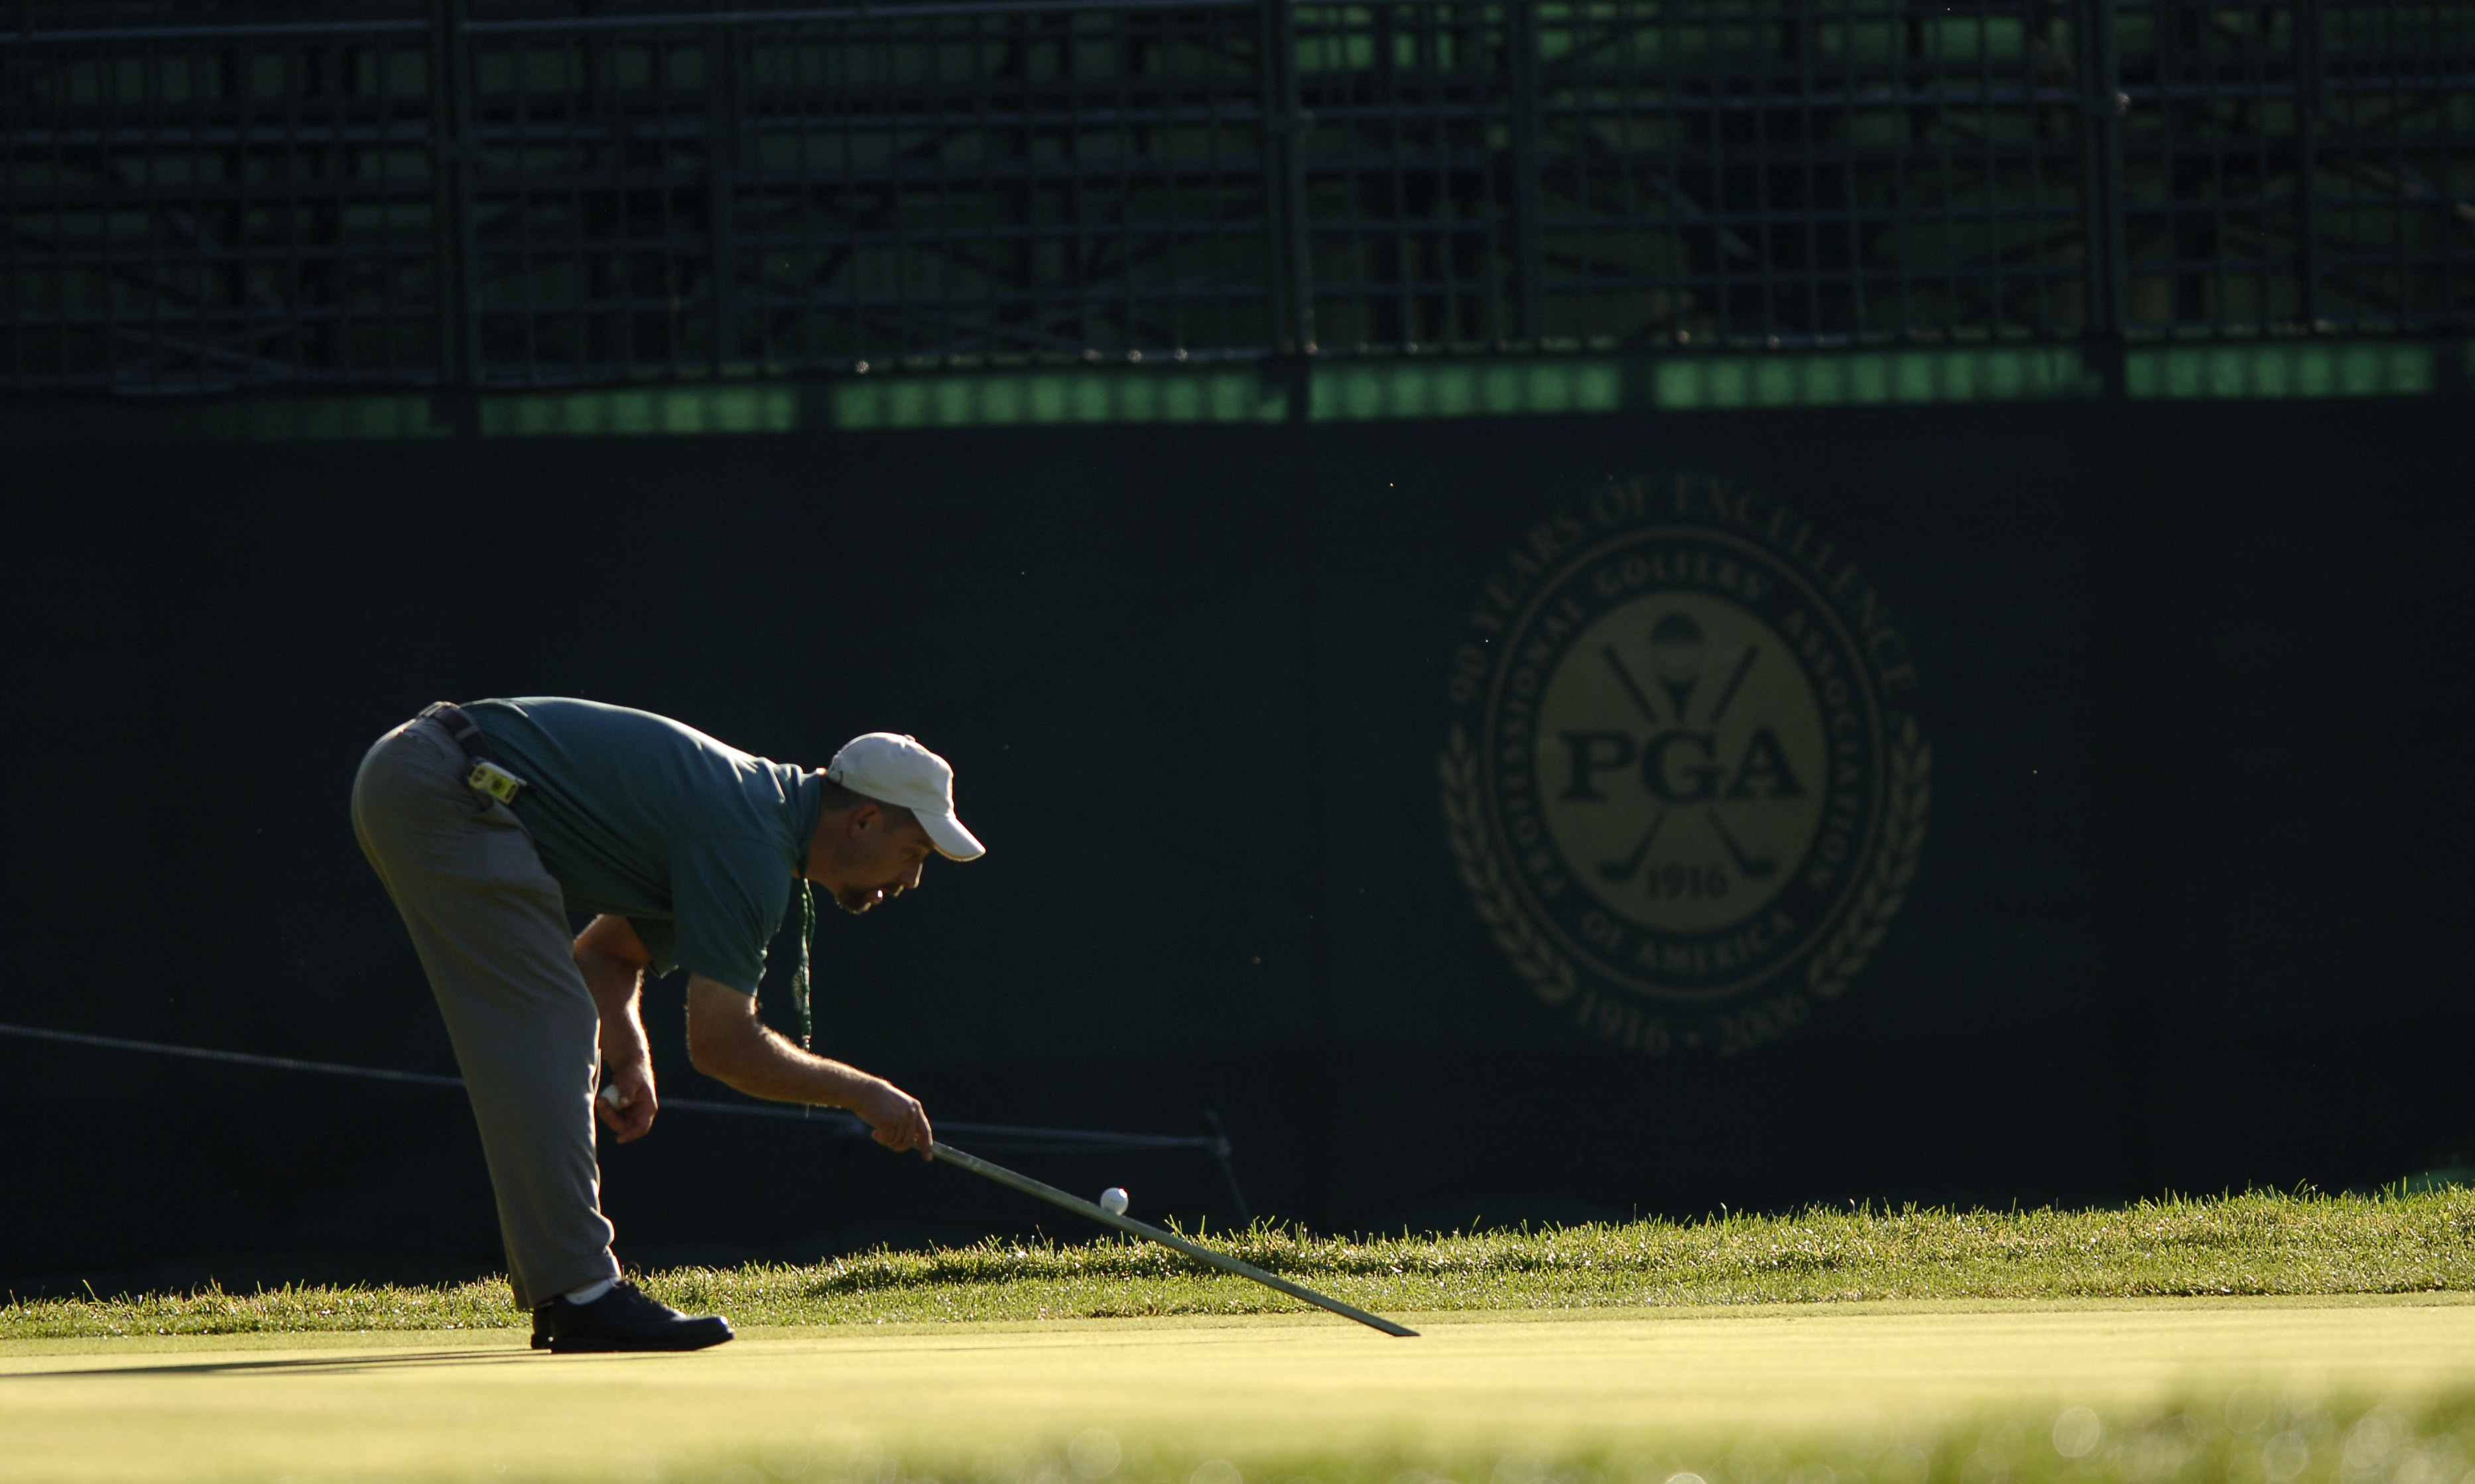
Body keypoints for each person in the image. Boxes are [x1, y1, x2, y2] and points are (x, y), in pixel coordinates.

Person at [349, 698, 982, 1353]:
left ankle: (573, 1292)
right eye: (913, 852)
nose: (911, 878)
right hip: (449, 787)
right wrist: (863, 1093)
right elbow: (722, 1045)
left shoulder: (758, 823)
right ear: (866, 820)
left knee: (561, 1022)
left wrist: (629, 1052)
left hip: (432, 774)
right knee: (555, 1025)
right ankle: (581, 1293)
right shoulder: (751, 840)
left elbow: (608, 952)